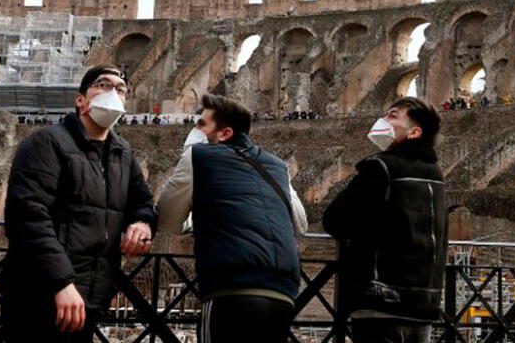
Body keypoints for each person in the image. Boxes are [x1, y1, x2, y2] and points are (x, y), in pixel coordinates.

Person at [2, 64, 157, 343]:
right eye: (102, 85)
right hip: (41, 292)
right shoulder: (46, 143)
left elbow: (142, 201)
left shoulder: (123, 153)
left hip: (88, 295)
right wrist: (60, 282)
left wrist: (142, 223)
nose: (112, 93)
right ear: (80, 99)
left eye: (120, 89)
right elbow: (28, 217)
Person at [156, 94, 306, 343]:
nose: (195, 128)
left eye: (202, 124)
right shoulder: (278, 166)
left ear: (225, 133)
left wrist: (199, 221)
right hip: (284, 292)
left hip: (231, 286)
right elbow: (299, 222)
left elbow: (168, 220)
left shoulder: (198, 157)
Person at [323, 97, 447, 343]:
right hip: (425, 303)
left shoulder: (381, 167)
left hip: (382, 299)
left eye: (392, 115)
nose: (383, 120)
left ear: (414, 132)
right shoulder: (436, 174)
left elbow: (335, 220)